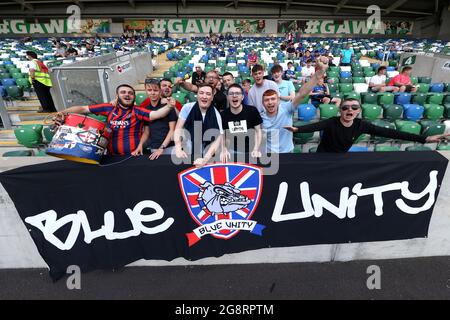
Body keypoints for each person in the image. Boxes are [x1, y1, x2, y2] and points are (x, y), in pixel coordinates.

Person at [284, 98, 449, 153]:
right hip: (322, 156)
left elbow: (393, 134)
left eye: (354, 107)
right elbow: (314, 126)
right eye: (345, 107)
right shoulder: (332, 122)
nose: (350, 110)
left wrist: (424, 138)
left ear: (358, 111)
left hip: (342, 157)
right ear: (340, 111)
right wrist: (297, 129)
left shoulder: (361, 125)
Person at [53, 84, 176, 155]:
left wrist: (170, 106)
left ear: (134, 97)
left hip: (133, 156)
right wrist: (63, 112)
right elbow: (83, 108)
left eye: (130, 93)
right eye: (123, 92)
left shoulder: (138, 110)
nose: (127, 95)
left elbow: (157, 114)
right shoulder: (108, 108)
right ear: (117, 96)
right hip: (111, 156)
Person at [260, 56, 331, 153]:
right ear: (262, 103)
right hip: (269, 156)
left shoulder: (286, 108)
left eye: (273, 99)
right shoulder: (260, 117)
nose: (270, 102)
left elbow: (302, 94)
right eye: (267, 100)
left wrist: (319, 73)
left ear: (278, 100)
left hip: (287, 153)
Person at [174, 84, 224, 167]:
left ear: (212, 97)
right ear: (197, 95)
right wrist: (178, 148)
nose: (204, 96)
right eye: (201, 93)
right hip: (189, 142)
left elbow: (218, 139)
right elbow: (178, 128)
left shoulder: (216, 113)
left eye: (208, 94)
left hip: (207, 145)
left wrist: (205, 159)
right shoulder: (187, 107)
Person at [132, 79, 177, 159]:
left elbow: (172, 130)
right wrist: (140, 145)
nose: (152, 93)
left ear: (160, 91)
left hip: (170, 147)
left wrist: (161, 148)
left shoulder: (168, 106)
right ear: (145, 91)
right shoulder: (145, 109)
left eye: (155, 90)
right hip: (154, 147)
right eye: (149, 90)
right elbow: (146, 131)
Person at [220, 84, 263, 160]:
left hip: (252, 151)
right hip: (232, 152)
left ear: (242, 97)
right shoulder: (222, 115)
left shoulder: (252, 111)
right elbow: (222, 135)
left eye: (237, 93)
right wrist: (224, 149)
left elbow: (258, 131)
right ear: (227, 97)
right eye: (231, 93)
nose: (234, 96)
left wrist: (256, 149)